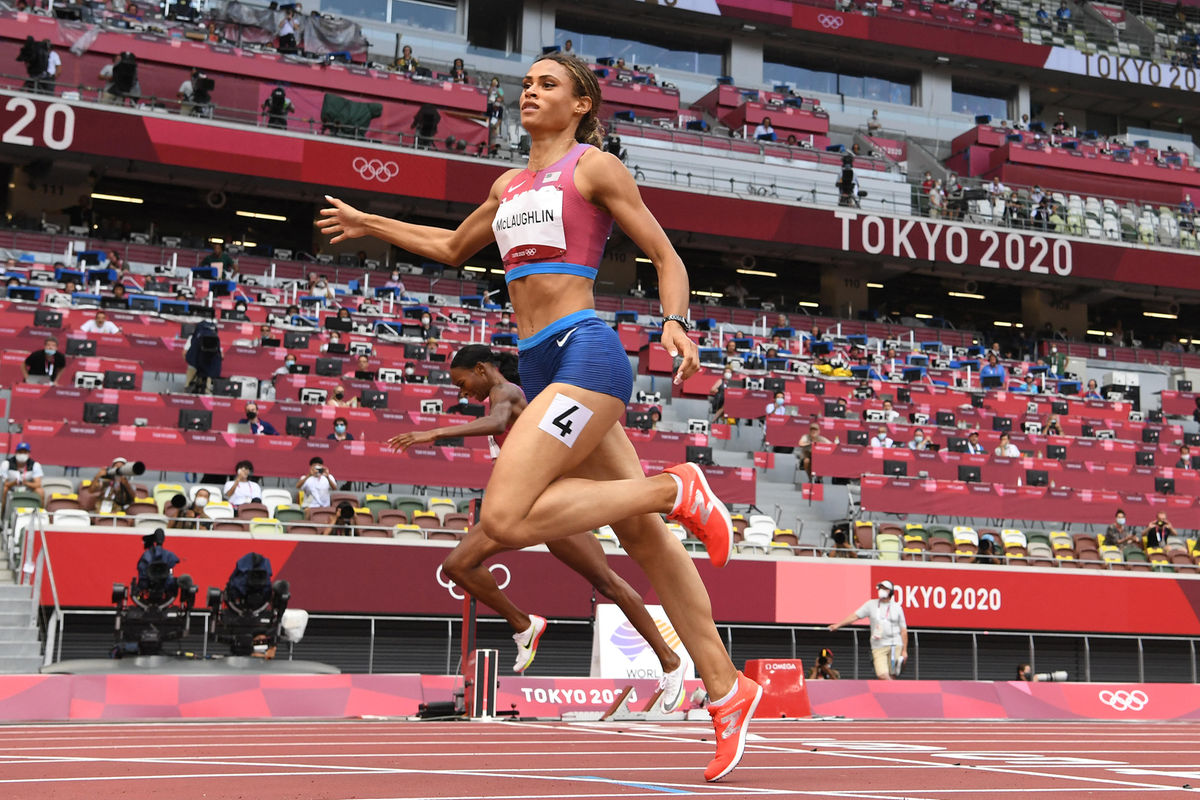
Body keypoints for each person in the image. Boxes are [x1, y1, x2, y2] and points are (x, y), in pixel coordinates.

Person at [319, 51, 760, 782]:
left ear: (581, 103)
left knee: (504, 518)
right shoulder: (509, 183)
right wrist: (371, 221)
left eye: (547, 84)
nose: (529, 92)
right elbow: (453, 247)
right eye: (524, 84)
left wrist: (676, 322)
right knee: (648, 546)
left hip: (586, 352)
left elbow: (665, 253)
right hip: (543, 364)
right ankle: (725, 689)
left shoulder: (595, 169)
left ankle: (673, 488)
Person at [389, 344, 689, 701]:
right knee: (458, 565)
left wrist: (434, 433)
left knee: (606, 582)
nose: (461, 390)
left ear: (482, 369)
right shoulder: (501, 395)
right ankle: (524, 624)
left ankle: (671, 662)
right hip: (522, 508)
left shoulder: (507, 392)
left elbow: (499, 422)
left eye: (462, 381)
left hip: (547, 506)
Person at [828, 580, 908, 680]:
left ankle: (891, 693)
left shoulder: (897, 607)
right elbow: (855, 616)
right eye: (880, 588)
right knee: (882, 674)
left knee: (893, 674)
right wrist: (838, 625)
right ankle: (896, 691)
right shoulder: (871, 604)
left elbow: (903, 630)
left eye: (884, 589)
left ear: (891, 591)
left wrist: (904, 650)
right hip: (878, 646)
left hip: (894, 645)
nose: (881, 590)